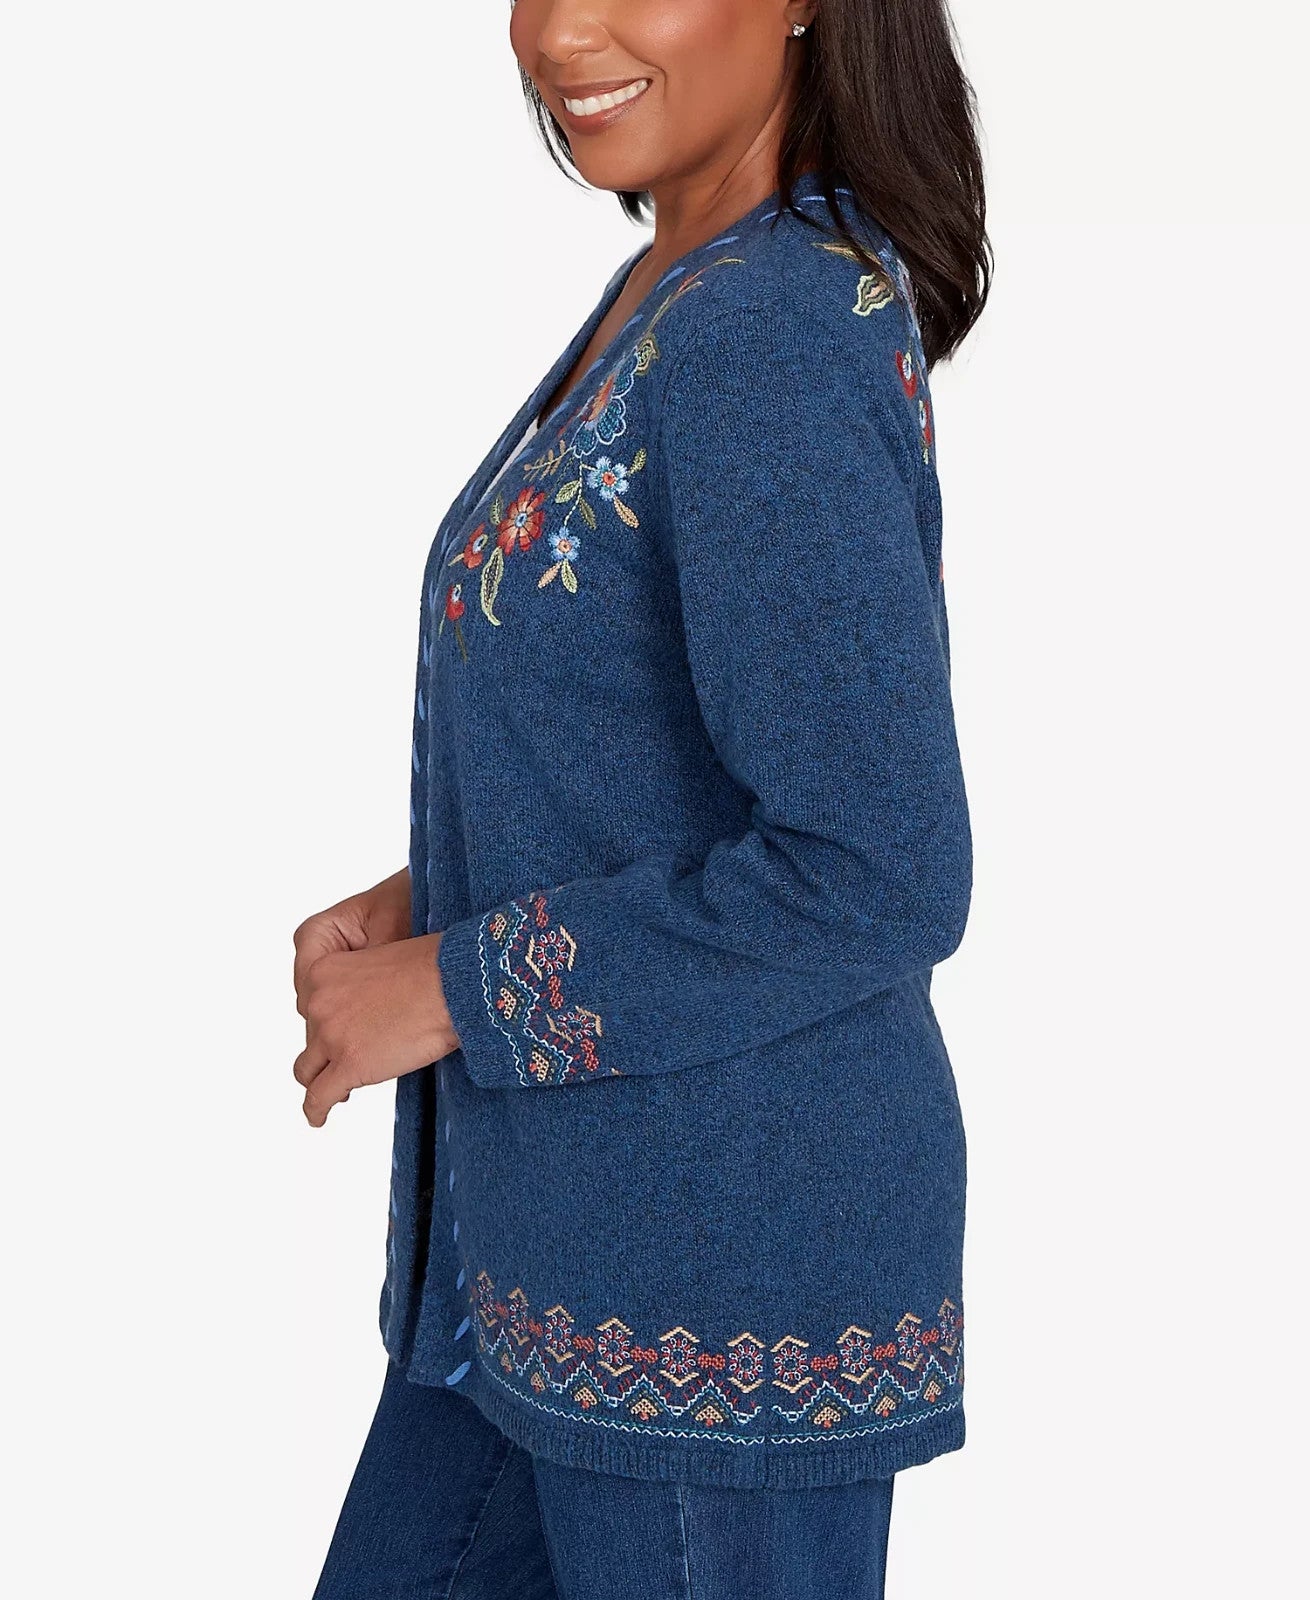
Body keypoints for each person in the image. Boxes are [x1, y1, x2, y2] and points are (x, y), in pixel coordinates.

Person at [294, 1, 989, 1594]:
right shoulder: (687, 283)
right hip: (541, 1270)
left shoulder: (771, 326)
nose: (560, 32)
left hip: (713, 1305)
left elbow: (875, 868)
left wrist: (456, 988)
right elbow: (671, 753)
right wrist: (431, 896)